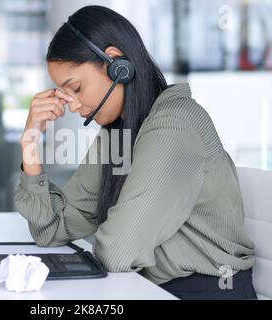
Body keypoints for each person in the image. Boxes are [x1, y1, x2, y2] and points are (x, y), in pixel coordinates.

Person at [14, 5, 257, 300]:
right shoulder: (121, 131)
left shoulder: (175, 125)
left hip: (207, 291)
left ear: (117, 64)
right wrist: (30, 143)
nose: (72, 105)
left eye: (76, 88)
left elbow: (118, 251)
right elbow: (52, 229)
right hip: (148, 288)